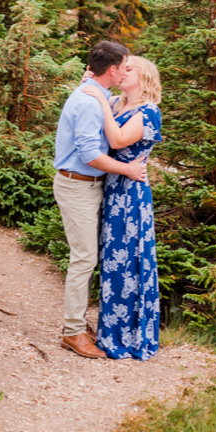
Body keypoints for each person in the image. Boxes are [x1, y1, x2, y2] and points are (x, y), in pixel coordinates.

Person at [51, 40, 147, 359]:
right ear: (112, 70)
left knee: (87, 257)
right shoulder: (90, 102)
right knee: (84, 259)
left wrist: (92, 84)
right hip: (78, 185)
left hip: (90, 186)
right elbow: (90, 153)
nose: (125, 72)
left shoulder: (97, 96)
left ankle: (77, 325)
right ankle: (73, 332)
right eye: (124, 67)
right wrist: (128, 170)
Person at [84, 55, 163, 361]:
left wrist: (100, 100)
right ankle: (110, 331)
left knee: (128, 259)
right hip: (114, 188)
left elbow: (116, 141)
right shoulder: (117, 103)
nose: (122, 71)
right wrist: (92, 85)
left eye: (129, 68)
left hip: (132, 193)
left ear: (144, 78)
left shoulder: (148, 112)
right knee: (112, 260)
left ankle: (130, 336)